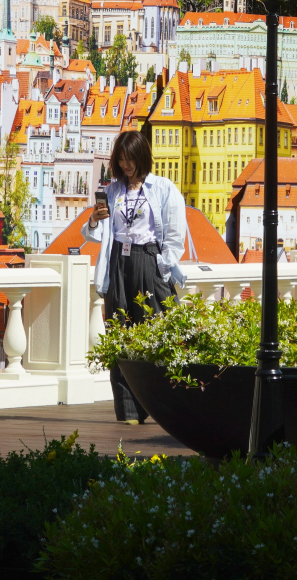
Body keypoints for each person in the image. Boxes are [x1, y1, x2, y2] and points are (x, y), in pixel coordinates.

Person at [83, 129, 186, 425]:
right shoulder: (113, 191)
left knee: (155, 334)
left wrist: (162, 266)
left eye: (131, 160)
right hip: (119, 263)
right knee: (120, 336)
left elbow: (175, 235)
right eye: (122, 160)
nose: (127, 166)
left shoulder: (163, 188)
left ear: (142, 157)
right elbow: (97, 234)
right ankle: (128, 411)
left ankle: (163, 407)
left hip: (148, 261)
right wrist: (93, 220)